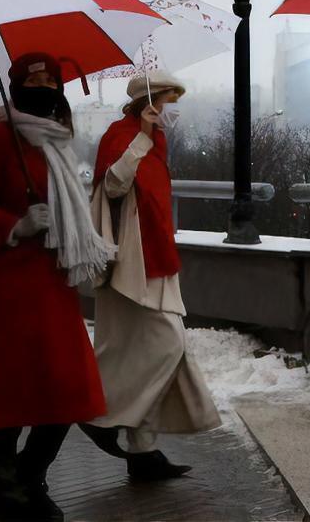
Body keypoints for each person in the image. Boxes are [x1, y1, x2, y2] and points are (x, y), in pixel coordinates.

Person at [0, 53, 113, 522]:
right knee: (7, 395)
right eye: (34, 79)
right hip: (6, 286)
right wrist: (17, 224)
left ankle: (28, 476)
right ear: (16, 86)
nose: (43, 86)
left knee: (69, 391)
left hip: (53, 282)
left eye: (50, 79)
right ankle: (10, 494)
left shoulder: (58, 144)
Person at [81, 71, 220, 481]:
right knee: (163, 345)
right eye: (169, 100)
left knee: (147, 352)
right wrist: (141, 136)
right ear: (150, 103)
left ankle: (142, 452)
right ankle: (96, 413)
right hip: (131, 264)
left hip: (155, 259)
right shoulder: (122, 134)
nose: (173, 109)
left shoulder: (156, 140)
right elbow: (113, 185)